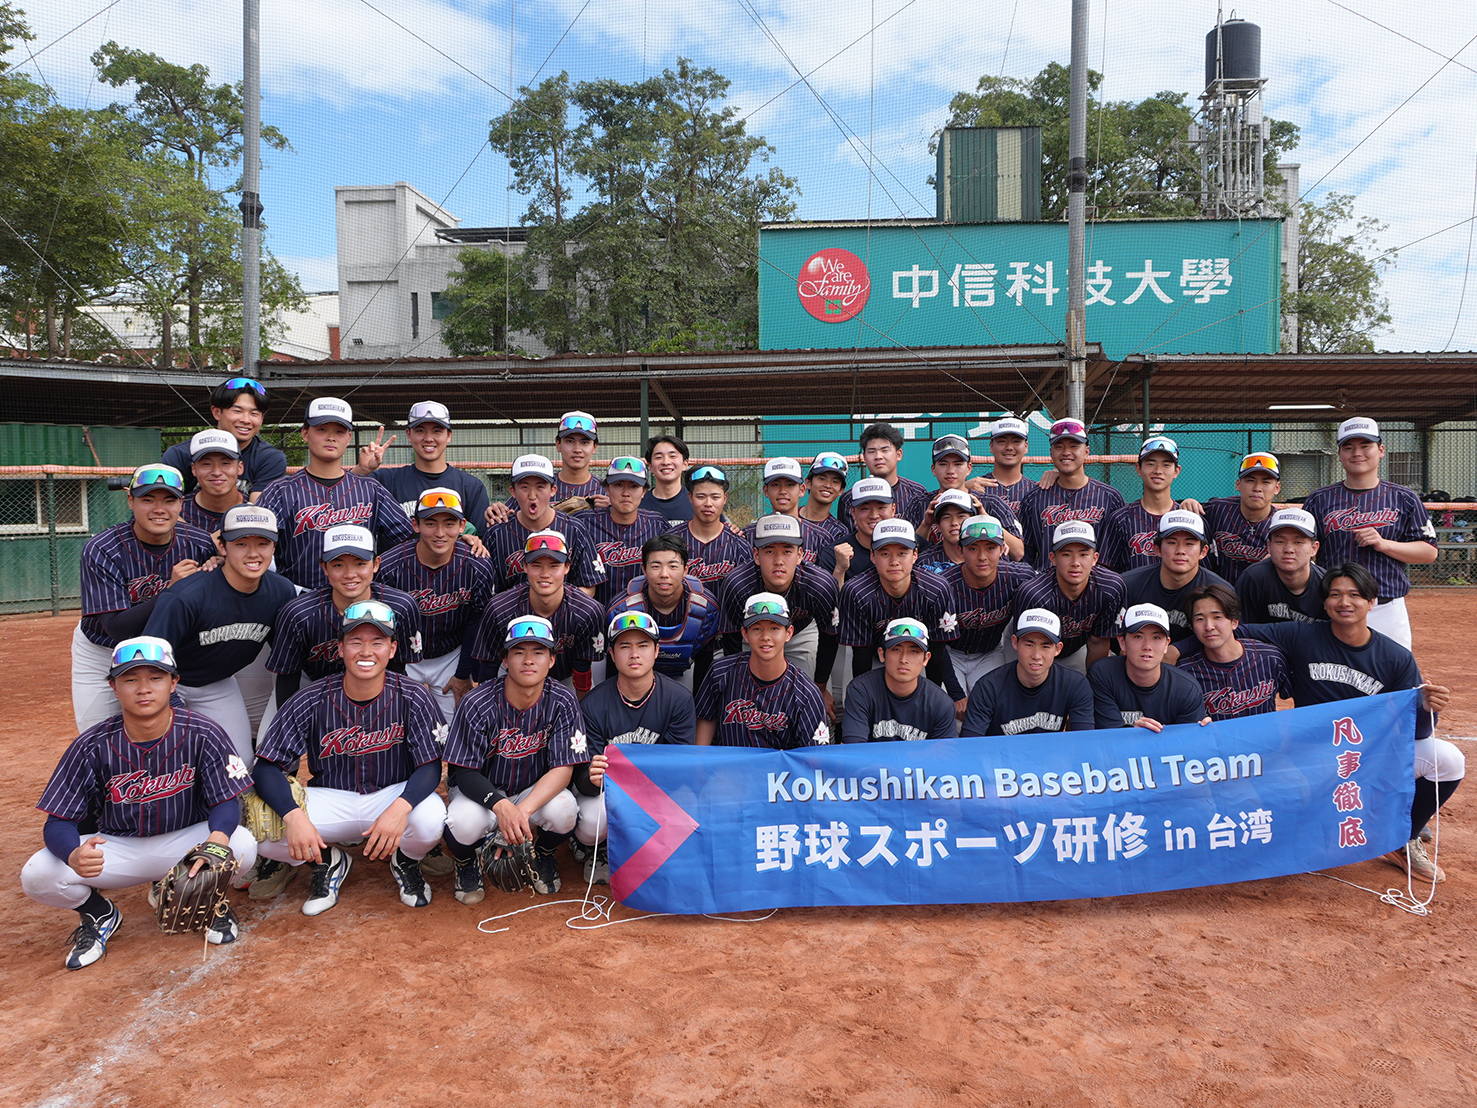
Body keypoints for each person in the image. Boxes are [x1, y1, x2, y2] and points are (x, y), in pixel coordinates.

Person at [22, 637, 257, 968]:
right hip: (118, 849)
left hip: (185, 846)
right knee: (37, 874)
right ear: (114, 687)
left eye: (155, 678)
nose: (143, 689)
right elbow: (58, 821)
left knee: (242, 844)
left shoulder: (204, 732)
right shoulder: (90, 745)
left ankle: (210, 902)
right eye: (131, 679)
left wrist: (216, 841)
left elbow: (226, 801)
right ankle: (98, 914)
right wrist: (72, 854)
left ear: (174, 683)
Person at [1230, 562, 1462, 883]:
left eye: (1355, 595)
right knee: (1283, 819)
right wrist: (1175, 650)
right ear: (1324, 603)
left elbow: (1418, 732)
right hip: (1311, 760)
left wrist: (1426, 708)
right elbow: (1231, 633)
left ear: (1372, 602)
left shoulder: (1395, 657)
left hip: (1368, 757)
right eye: (1335, 594)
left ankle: (1400, 838)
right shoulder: (1300, 635)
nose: (1344, 602)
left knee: (1448, 760)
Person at [253, 600, 447, 915]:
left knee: (430, 820)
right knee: (259, 833)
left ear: (393, 649)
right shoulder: (311, 698)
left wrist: (401, 807)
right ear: (340, 649)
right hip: (330, 799)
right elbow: (265, 768)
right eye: (356, 642)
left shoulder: (414, 695)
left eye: (377, 642)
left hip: (390, 795)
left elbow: (430, 766)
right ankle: (328, 860)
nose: (366, 651)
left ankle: (406, 860)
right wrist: (294, 816)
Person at [443, 616, 589, 900]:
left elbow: (563, 768)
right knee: (463, 822)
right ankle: (465, 862)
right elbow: (465, 773)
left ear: (551, 660)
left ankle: (544, 854)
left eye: (538, 652)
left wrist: (521, 812)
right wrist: (501, 807)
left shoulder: (563, 700)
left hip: (531, 791)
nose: (528, 660)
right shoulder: (477, 702)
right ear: (505, 660)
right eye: (519, 651)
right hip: (482, 792)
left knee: (565, 811)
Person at [143, 505, 297, 765]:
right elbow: (149, 661)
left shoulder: (281, 592)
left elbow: (286, 659)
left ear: (274, 548)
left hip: (217, 684)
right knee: (166, 763)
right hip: (165, 685)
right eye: (241, 544)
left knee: (240, 765)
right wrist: (177, 712)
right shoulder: (187, 596)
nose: (253, 553)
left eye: (263, 543)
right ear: (222, 548)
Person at [72, 464, 218, 731]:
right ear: (130, 500)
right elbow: (116, 628)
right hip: (104, 648)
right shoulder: (102, 549)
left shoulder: (199, 543)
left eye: (169, 500)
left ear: (181, 503)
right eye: (147, 499)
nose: (159, 509)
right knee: (101, 734)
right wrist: (172, 591)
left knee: (171, 734)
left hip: (168, 647)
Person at [571, 611, 698, 884]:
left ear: (656, 650)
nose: (634, 654)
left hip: (659, 787)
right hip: (610, 793)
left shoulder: (678, 699)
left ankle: (657, 851)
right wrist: (593, 781)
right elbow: (581, 777)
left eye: (642, 645)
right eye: (624, 646)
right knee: (592, 822)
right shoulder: (592, 705)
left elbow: (680, 766)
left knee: (690, 805)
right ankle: (599, 850)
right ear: (612, 654)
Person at [1302, 417, 1437, 649]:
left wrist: (1384, 544)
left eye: (1365, 446)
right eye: (1349, 447)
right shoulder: (1320, 499)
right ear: (1340, 453)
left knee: (1392, 678)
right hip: (1334, 607)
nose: (1357, 453)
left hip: (1386, 607)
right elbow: (1302, 548)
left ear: (1381, 450)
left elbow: (1428, 551)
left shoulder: (1404, 498)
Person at [254, 397, 416, 591]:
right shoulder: (280, 491)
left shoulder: (372, 490)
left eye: (339, 431)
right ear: (305, 433)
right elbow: (254, 543)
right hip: (297, 598)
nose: (331, 437)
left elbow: (409, 542)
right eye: (322, 429)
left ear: (348, 438)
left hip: (358, 599)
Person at [265, 525, 424, 720]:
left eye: (360, 564)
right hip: (309, 685)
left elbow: (398, 669)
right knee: (270, 746)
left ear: (376, 564)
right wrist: (291, 728)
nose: (350, 574)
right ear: (324, 567)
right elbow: (288, 679)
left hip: (377, 686)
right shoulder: (298, 613)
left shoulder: (401, 606)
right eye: (338, 565)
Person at [375, 488, 497, 719]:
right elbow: (381, 628)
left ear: (462, 526)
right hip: (401, 656)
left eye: (449, 523)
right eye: (430, 523)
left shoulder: (478, 565)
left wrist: (463, 674)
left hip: (452, 655)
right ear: (415, 525)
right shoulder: (389, 567)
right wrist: (393, 673)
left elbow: (476, 622)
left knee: (456, 730)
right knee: (397, 724)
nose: (440, 533)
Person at [839, 517, 966, 713]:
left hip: (916, 655)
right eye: (885, 553)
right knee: (855, 703)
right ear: (872, 556)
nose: (894, 561)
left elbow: (938, 649)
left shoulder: (936, 588)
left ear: (915, 555)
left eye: (902, 553)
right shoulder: (856, 591)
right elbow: (861, 654)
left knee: (928, 705)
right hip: (871, 653)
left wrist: (931, 698)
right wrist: (864, 699)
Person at [717, 515, 841, 706]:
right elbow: (732, 642)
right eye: (769, 551)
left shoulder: (821, 585)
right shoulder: (737, 584)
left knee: (813, 700)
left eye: (787, 551)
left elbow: (828, 637)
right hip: (750, 635)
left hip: (800, 632)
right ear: (756, 555)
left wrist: (820, 688)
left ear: (800, 555)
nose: (778, 561)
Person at [473, 531, 609, 696]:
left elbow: (582, 668)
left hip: (566, 678)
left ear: (567, 567)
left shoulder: (587, 610)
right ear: (524, 566)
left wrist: (582, 712)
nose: (545, 573)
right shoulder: (500, 608)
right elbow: (488, 667)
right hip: (513, 676)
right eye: (536, 565)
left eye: (554, 565)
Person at [695, 593, 832, 749]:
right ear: (745, 634)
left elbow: (814, 759)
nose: (765, 636)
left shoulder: (807, 694)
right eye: (757, 628)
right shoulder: (720, 673)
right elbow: (701, 749)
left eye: (774, 628)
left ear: (789, 633)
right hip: (729, 772)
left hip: (781, 773)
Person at [356, 401, 492, 548]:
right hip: (395, 570)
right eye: (420, 430)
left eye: (437, 431)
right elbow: (341, 497)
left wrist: (474, 540)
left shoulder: (471, 486)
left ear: (448, 436)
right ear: (409, 435)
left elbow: (481, 540)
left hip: (452, 570)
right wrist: (362, 470)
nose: (428, 438)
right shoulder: (385, 480)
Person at [607, 533, 720, 691]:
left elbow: (705, 663)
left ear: (686, 569)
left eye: (673, 566)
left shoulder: (706, 607)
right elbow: (614, 666)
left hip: (687, 673)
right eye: (656, 566)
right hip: (633, 678)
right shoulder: (621, 608)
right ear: (644, 570)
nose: (664, 574)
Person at [1011, 520, 1126, 673]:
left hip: (1077, 648)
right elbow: (1027, 646)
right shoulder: (1034, 594)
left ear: (1095, 558)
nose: (1075, 563)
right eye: (1066, 554)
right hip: (1031, 650)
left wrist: (1093, 685)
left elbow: (1098, 643)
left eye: (1084, 554)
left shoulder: (1110, 587)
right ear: (1052, 558)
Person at [937, 515, 1035, 691]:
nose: (982, 557)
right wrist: (957, 694)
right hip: (950, 654)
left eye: (990, 548)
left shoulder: (1020, 576)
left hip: (990, 652)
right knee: (949, 705)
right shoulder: (942, 585)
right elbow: (936, 643)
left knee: (992, 704)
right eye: (973, 548)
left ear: (1003, 548)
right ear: (960, 550)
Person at [959, 609, 1095, 736]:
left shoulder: (1075, 684)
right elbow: (971, 745)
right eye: (1029, 645)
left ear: (1058, 649)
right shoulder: (988, 688)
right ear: (1015, 643)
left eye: (1045, 646)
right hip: (1000, 759)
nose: (1036, 655)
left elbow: (1084, 741)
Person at [486, 454, 606, 594]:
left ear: (553, 490)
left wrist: (558, 608)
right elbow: (489, 590)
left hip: (564, 614)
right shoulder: (496, 533)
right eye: (524, 487)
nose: (532, 495)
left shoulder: (574, 529)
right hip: (512, 614)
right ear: (513, 491)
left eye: (540, 487)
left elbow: (589, 585)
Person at [1019, 417, 1127, 571]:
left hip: (1097, 587)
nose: (1066, 452)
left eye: (1074, 446)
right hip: (1046, 587)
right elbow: (1026, 553)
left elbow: (1118, 555)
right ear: (1051, 452)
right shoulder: (1033, 498)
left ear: (1087, 451)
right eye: (1059, 446)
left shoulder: (1110, 497)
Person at [1119, 510, 1233, 653]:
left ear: (1203, 552)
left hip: (1197, 663)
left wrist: (1179, 649)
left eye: (1189, 543)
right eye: (1172, 542)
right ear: (1157, 549)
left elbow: (1227, 635)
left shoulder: (1219, 589)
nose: (1180, 551)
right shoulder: (1128, 584)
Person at [1175, 583, 1289, 720]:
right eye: (1200, 619)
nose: (1209, 626)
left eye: (1217, 617)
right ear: (1193, 627)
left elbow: (1291, 700)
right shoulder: (1183, 672)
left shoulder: (1271, 657)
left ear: (1234, 622)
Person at [161, 376, 286, 500]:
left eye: (254, 413)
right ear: (216, 412)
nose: (246, 420)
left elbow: (258, 511)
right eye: (237, 411)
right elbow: (165, 506)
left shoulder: (270, 458)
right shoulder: (179, 455)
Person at [1089, 604, 1209, 730]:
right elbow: (1108, 737)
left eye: (1156, 637)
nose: (1147, 646)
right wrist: (1135, 735)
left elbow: (1186, 743)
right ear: (1122, 642)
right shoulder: (1103, 674)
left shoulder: (1186, 689)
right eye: (1138, 636)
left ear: (1166, 645)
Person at [841, 618, 958, 743]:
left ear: (926, 659)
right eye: (896, 649)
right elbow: (853, 749)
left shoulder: (941, 702)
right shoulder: (861, 690)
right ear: (882, 654)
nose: (904, 659)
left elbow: (946, 756)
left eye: (914, 651)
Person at [485, 410, 608, 527]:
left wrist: (618, 510)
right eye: (569, 441)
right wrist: (498, 511)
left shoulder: (606, 492)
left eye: (585, 442)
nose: (577, 449)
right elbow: (507, 516)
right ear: (558, 444)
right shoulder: (540, 483)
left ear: (594, 447)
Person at [582, 456, 672, 614]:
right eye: (618, 485)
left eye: (633, 486)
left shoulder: (657, 524)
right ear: (607, 489)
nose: (626, 493)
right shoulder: (584, 524)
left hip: (644, 618)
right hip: (595, 617)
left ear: (644, 491)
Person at [919, 433, 1024, 561]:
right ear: (933, 469)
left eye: (958, 464)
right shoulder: (920, 503)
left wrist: (986, 519)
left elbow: (1018, 553)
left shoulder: (991, 503)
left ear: (969, 468)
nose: (951, 470)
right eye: (943, 464)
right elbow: (907, 552)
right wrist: (926, 525)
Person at [1099, 436, 1186, 573]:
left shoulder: (1188, 518)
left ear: (1176, 471)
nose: (1158, 470)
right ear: (1138, 469)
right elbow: (1105, 570)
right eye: (1150, 464)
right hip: (1132, 594)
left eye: (1166, 465)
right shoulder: (1120, 518)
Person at [1235, 508, 1329, 624]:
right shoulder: (1254, 578)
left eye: (1298, 542)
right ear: (1269, 546)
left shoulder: (1326, 584)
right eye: (1280, 541)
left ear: (1314, 548)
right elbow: (1241, 631)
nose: (1289, 549)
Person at [744, 457, 839, 569]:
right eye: (775, 485)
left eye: (790, 485)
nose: (782, 491)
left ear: (802, 490)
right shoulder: (748, 534)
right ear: (766, 490)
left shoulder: (821, 537)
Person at [835, 422, 932, 532]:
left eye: (885, 450)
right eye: (872, 451)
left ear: (898, 454)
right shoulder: (849, 498)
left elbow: (924, 538)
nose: (878, 456)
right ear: (864, 457)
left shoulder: (918, 492)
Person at [1203, 451, 1282, 585]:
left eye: (1266, 482)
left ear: (1277, 488)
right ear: (1238, 484)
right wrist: (1189, 504)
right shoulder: (1217, 509)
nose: (1257, 488)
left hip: (1261, 597)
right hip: (1218, 594)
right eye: (1250, 481)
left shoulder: (1281, 524)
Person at [670, 464, 750, 593]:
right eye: (701, 497)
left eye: (715, 497)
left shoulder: (740, 545)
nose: (708, 503)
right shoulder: (671, 540)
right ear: (690, 497)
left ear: (725, 498)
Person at [799, 452, 854, 584]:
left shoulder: (839, 532)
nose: (828, 485)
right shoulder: (789, 515)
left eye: (835, 481)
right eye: (822, 479)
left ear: (841, 490)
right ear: (808, 482)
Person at [179, 429, 246, 533]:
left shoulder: (255, 508)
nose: (216, 472)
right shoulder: (178, 511)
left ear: (240, 467)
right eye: (206, 464)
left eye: (225, 463)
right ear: (194, 469)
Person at [843, 476, 897, 581]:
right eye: (865, 508)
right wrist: (840, 569)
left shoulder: (912, 544)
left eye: (881, 507)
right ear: (853, 512)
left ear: (893, 509)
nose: (874, 515)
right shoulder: (835, 554)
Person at [974, 416, 1034, 509]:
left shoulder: (1036, 490)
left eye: (1016, 441)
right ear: (991, 446)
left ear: (1026, 446)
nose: (1009, 447)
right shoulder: (976, 487)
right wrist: (963, 488)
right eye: (1002, 441)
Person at [916, 489, 976, 572]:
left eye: (961, 516)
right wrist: (926, 524)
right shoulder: (923, 563)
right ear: (938, 526)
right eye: (947, 517)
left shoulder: (988, 556)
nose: (954, 523)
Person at [642, 433, 694, 526]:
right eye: (658, 457)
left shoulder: (697, 503)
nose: (666, 462)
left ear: (685, 464)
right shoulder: (638, 505)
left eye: (673, 456)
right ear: (650, 466)